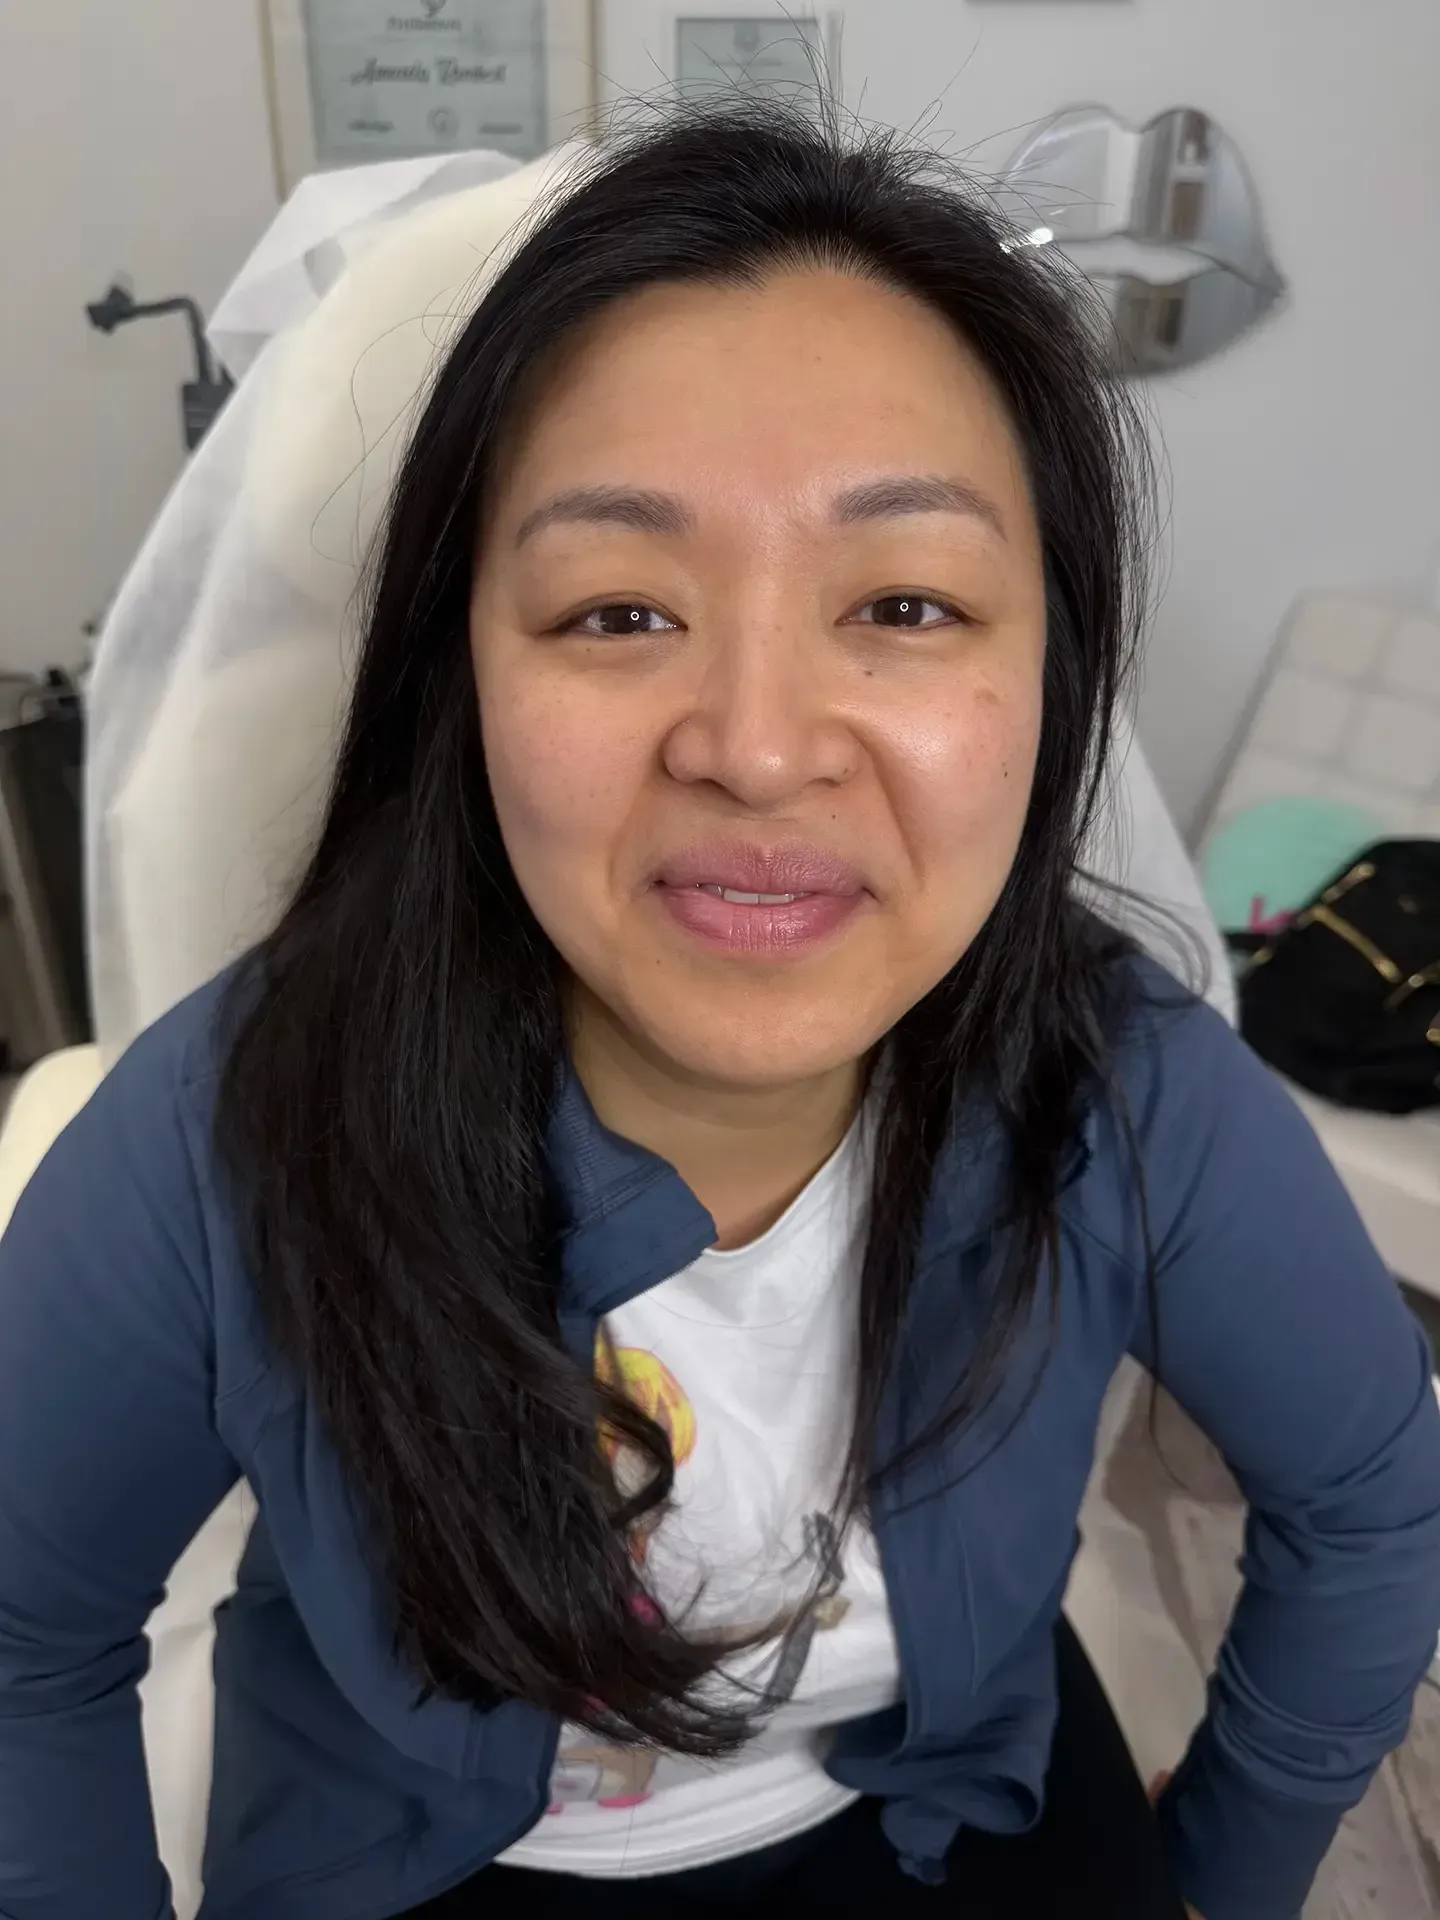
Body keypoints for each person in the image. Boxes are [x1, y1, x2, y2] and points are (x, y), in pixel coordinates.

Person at [1, 103, 1437, 1920]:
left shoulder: (1118, 1084)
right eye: (618, 612)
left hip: (949, 1801)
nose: (757, 750)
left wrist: (1226, 1872)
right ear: (464, 679)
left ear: (1051, 678)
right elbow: (23, 1642)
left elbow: (1374, 1501)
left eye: (903, 601)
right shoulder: (229, 1130)